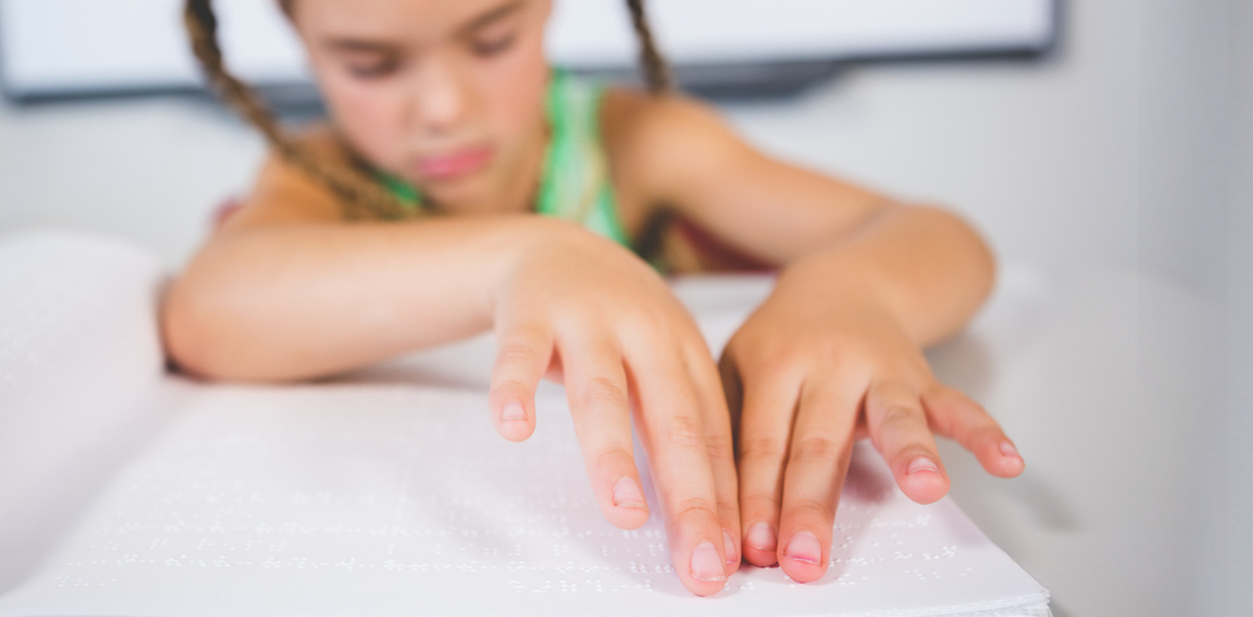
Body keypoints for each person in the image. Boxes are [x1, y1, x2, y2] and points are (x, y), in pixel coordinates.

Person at [161, 0, 1025, 596]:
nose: (443, 107)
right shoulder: (319, 179)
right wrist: (521, 254)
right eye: (369, 63)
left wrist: (853, 287)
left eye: (492, 39)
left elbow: (944, 238)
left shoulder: (638, 144)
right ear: (298, 34)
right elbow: (208, 309)